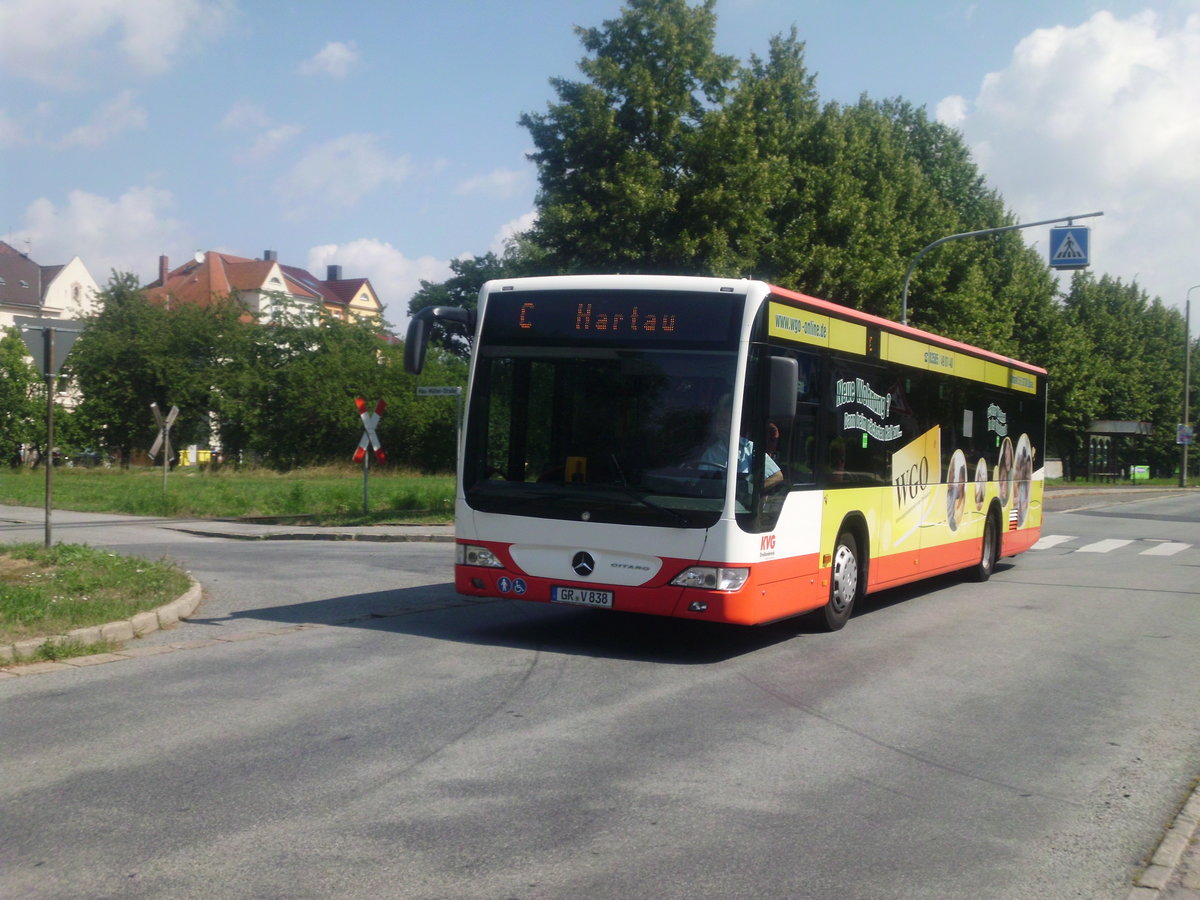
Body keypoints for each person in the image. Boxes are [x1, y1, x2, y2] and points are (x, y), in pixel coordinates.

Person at [698, 395, 783, 490]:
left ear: (734, 424)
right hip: (717, 499)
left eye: (724, 422)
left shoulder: (750, 448)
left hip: (743, 503)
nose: (720, 426)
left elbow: (777, 476)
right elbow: (701, 481)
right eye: (719, 421)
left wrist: (751, 491)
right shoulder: (710, 452)